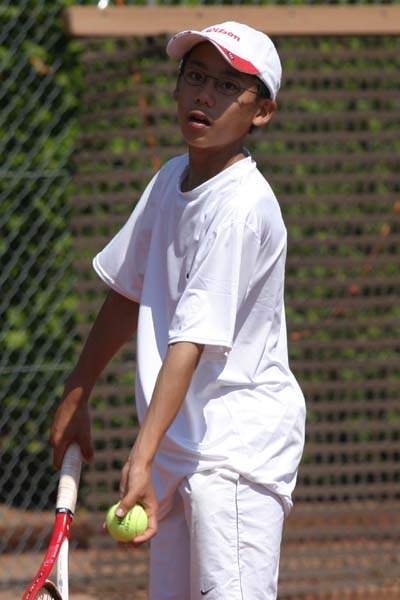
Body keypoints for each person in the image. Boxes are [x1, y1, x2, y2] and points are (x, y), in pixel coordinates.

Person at [50, 21, 306, 600]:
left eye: (227, 86)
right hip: (179, 451)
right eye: (196, 76)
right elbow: (128, 293)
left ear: (261, 112)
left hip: (235, 456)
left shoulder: (241, 208)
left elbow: (189, 342)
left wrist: (140, 457)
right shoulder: (170, 179)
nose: (205, 95)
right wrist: (77, 391)